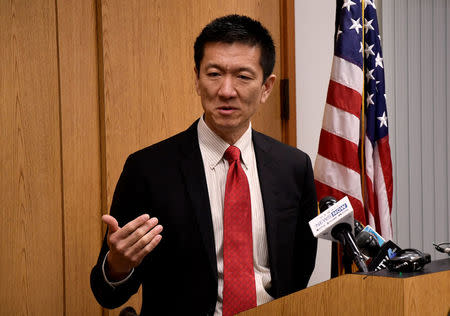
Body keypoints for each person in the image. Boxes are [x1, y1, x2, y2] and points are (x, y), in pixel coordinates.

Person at [90, 14, 317, 316]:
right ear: (197, 78)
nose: (226, 90)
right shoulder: (148, 169)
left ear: (266, 87)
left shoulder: (294, 167)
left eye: (243, 76)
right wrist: (118, 265)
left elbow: (300, 268)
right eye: (214, 74)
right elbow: (107, 294)